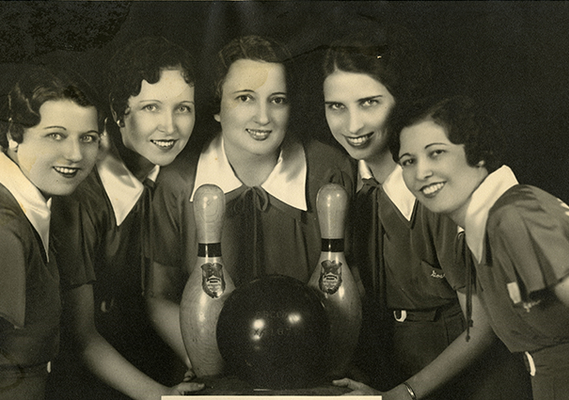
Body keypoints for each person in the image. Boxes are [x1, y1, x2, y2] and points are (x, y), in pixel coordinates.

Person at [321, 28, 532, 399]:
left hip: (478, 385)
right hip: (401, 376)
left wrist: (404, 393)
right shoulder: (347, 186)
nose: (352, 126)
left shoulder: (438, 188)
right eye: (336, 106)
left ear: (400, 101)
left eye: (369, 103)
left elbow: (483, 326)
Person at [147, 35, 355, 373]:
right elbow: (158, 298)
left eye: (277, 100)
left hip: (309, 368)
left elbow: (351, 285)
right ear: (216, 108)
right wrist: (205, 358)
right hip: (210, 370)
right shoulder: (177, 183)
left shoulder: (329, 171)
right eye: (245, 98)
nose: (263, 117)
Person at [46, 36, 204, 399]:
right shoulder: (82, 198)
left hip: (159, 367)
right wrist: (162, 396)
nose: (170, 127)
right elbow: (82, 337)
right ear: (118, 113)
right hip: (89, 385)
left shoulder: (176, 180)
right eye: (151, 108)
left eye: (183, 108)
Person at [392, 95, 569, 400]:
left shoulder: (513, 217)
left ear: (478, 153)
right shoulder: (481, 228)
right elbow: (480, 329)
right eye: (408, 161)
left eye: (436, 153)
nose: (421, 173)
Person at [0, 66, 103, 400]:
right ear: (14, 135)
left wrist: (164, 395)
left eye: (87, 138)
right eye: (55, 135)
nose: (74, 154)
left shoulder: (51, 200)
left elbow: (85, 338)